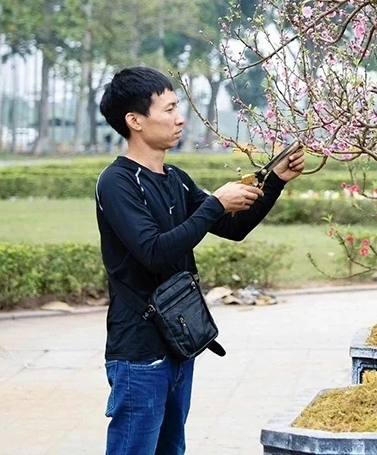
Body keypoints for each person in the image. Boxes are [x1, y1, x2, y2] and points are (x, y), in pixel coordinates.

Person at [95, 66, 304, 455]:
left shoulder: (175, 177)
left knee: (172, 449)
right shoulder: (117, 182)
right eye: (169, 109)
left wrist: (274, 181)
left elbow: (232, 227)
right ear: (135, 120)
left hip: (179, 341)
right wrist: (212, 204)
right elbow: (154, 251)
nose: (180, 118)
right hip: (139, 352)